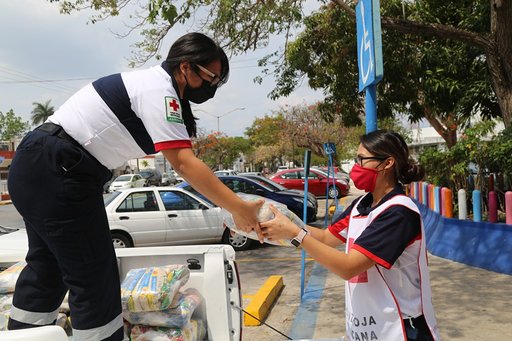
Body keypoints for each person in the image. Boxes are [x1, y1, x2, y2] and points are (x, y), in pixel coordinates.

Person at [7, 32, 262, 340]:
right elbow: (183, 163)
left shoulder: (153, 88)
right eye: (211, 78)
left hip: (42, 165)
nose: (212, 87)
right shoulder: (159, 90)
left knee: (47, 269)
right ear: (186, 67)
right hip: (59, 169)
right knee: (94, 279)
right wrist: (238, 207)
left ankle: (21, 335)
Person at [260, 129, 440, 341]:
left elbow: (348, 267)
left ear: (387, 163)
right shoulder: (361, 205)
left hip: (402, 330)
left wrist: (295, 234)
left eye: (362, 159)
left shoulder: (399, 212)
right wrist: (281, 223)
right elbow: (326, 238)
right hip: (369, 330)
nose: (356, 167)